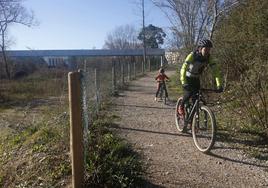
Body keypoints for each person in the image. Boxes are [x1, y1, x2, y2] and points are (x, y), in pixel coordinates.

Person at [178, 39, 223, 116]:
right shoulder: (192, 55)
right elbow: (183, 68)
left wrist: (219, 85)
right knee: (188, 94)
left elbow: (216, 72)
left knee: (196, 99)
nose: (207, 51)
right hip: (187, 78)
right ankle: (181, 106)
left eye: (209, 49)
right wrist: (183, 82)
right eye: (205, 49)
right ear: (200, 48)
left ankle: (192, 121)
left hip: (196, 78)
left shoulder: (209, 58)